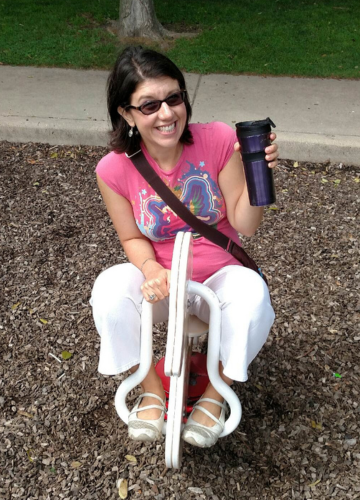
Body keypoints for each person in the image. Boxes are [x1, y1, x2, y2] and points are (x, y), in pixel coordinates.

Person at [90, 46, 279, 448]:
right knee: (108, 290)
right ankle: (152, 388)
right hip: (162, 282)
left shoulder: (217, 140)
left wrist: (258, 175)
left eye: (174, 98)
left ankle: (215, 396)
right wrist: (151, 270)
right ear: (126, 114)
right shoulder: (113, 169)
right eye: (149, 105)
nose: (166, 113)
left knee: (251, 296)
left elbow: (245, 224)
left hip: (218, 277)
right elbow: (132, 238)